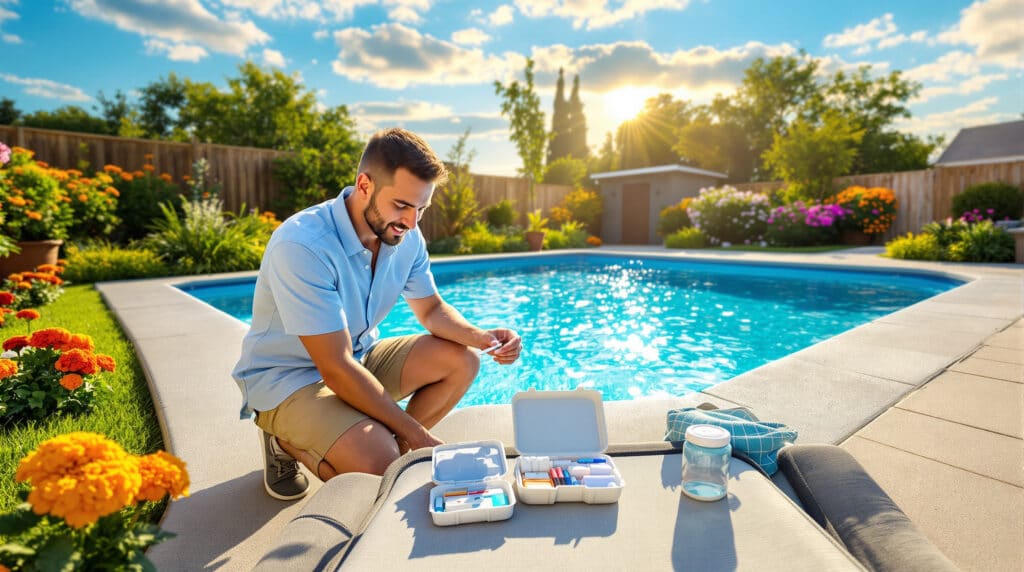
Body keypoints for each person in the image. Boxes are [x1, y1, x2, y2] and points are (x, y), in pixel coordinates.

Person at [232, 128, 522, 500]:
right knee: (378, 464)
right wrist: (417, 437)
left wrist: (481, 338)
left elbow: (431, 310)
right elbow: (334, 368)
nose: (413, 222)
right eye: (401, 205)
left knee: (462, 361)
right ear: (364, 184)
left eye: (421, 208)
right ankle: (282, 440)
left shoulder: (405, 236)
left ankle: (388, 452)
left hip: (358, 358)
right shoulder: (303, 245)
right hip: (286, 379)